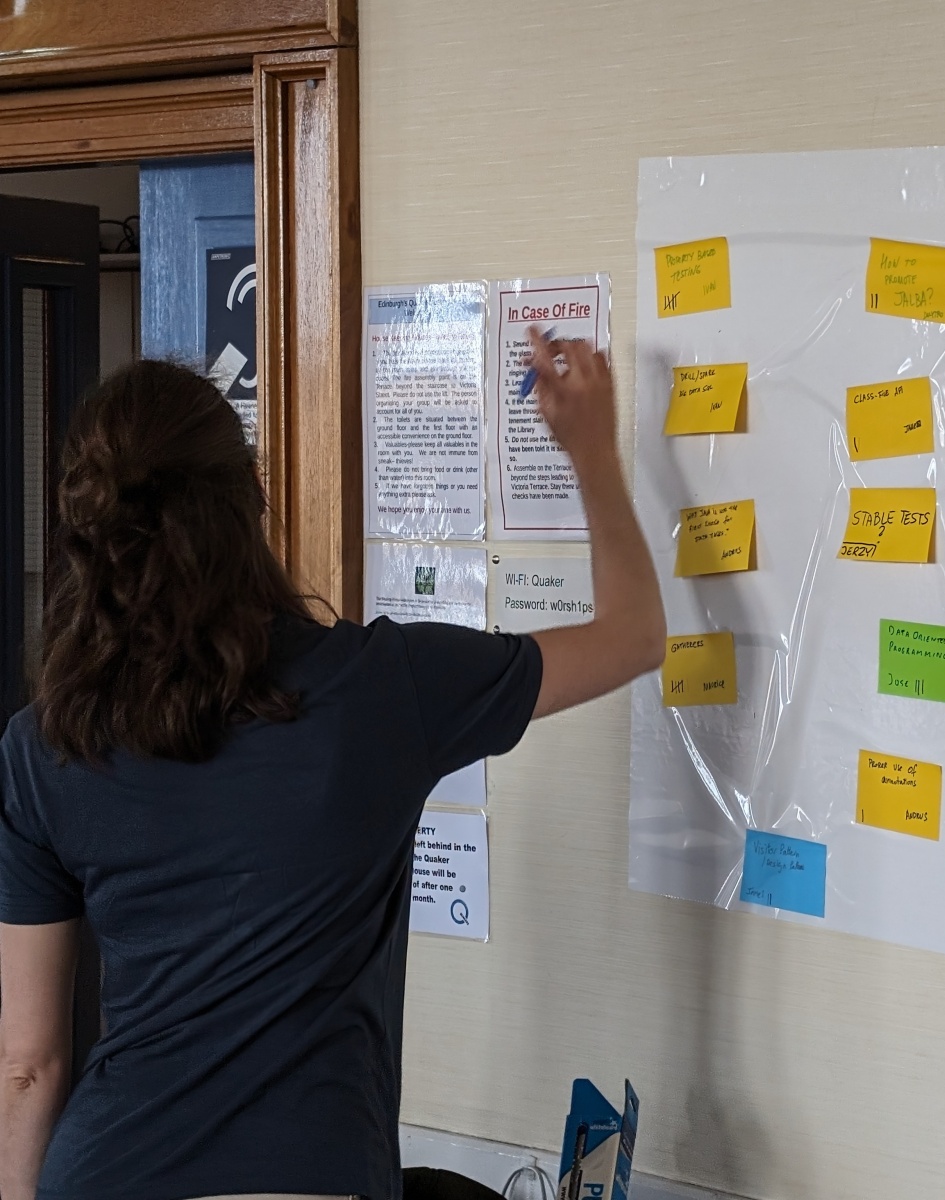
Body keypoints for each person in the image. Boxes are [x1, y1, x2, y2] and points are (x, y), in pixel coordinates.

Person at [0, 333, 664, 1200]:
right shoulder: (380, 690)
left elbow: (28, 1065)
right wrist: (591, 452)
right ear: (250, 503)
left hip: (104, 1170)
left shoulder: (45, 745)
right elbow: (634, 635)